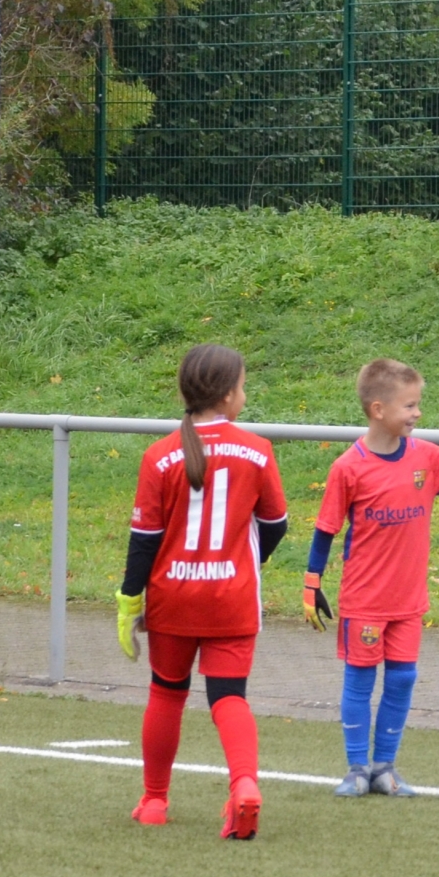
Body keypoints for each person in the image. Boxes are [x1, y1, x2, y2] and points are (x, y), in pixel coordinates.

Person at [302, 361, 439, 797]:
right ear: (378, 409)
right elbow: (326, 528)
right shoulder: (349, 467)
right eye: (410, 405)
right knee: (360, 681)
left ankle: (385, 768)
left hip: (409, 600)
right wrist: (311, 582)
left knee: (402, 679)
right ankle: (357, 768)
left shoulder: (427, 456)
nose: (418, 413)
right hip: (364, 599)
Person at [115, 345, 289, 838]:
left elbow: (143, 540)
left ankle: (153, 801)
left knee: (166, 695)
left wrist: (131, 601)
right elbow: (275, 525)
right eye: (244, 385)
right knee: (229, 697)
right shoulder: (257, 450)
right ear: (229, 393)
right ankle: (244, 787)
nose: (245, 394)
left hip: (172, 599)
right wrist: (241, 564)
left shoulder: (159, 454)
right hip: (231, 599)